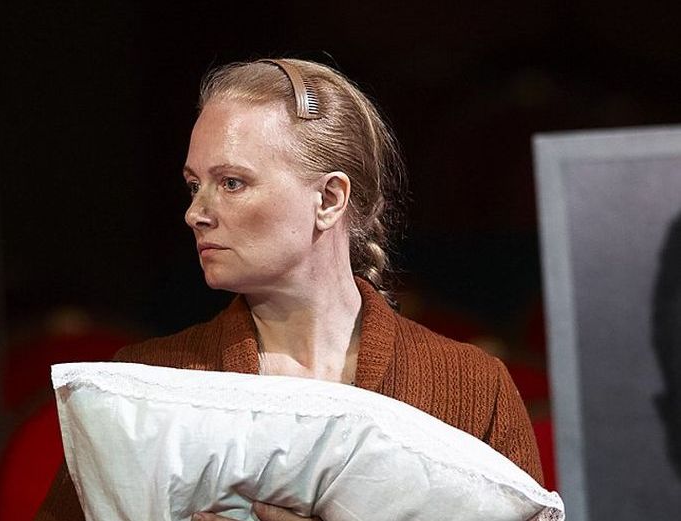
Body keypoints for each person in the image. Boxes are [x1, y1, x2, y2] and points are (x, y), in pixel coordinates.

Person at [35, 58, 543, 521]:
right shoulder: (145, 391)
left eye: (231, 182)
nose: (195, 213)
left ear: (329, 198)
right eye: (194, 185)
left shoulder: (473, 390)